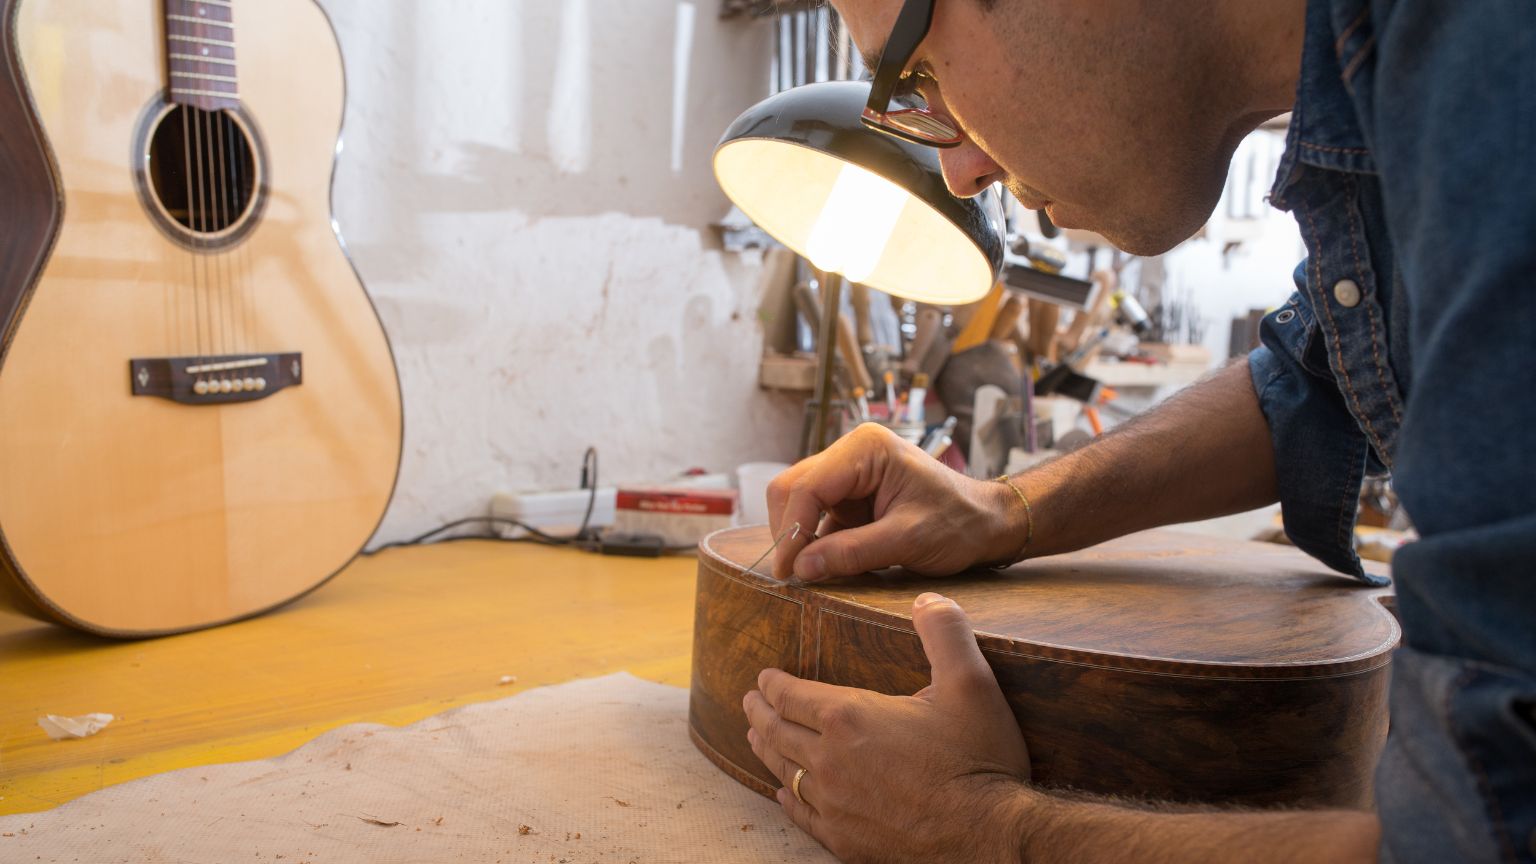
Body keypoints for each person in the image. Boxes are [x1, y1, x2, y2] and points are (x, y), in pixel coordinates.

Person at [739, 1, 1536, 862]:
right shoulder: (1397, 99)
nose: (960, 173)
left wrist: (988, 833)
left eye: (917, 74)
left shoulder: (1498, 75)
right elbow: (1326, 375)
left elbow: (1483, 839)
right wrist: (1003, 507)